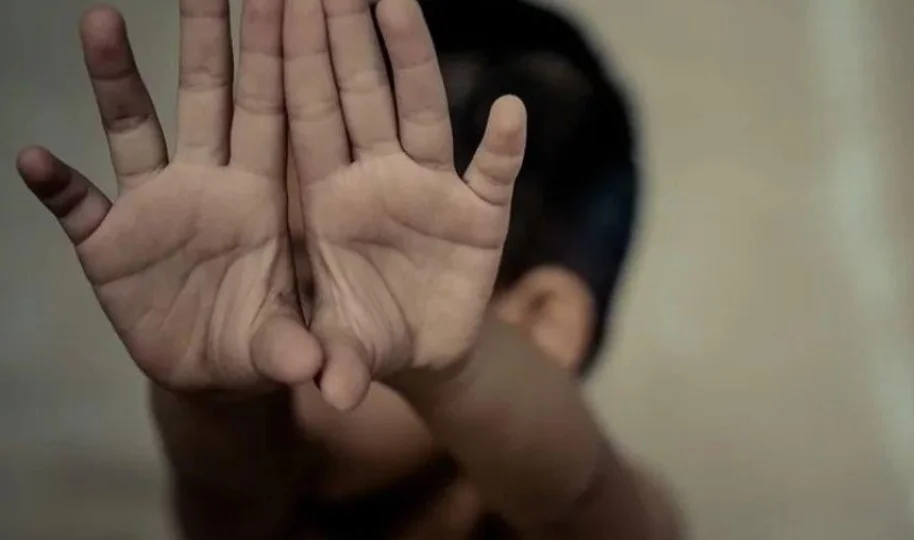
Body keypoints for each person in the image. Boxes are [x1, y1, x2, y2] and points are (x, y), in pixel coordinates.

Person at [15, 0, 679, 538]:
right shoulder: (273, 511)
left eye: (314, 289)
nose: (278, 339)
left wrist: (450, 363)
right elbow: (227, 486)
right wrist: (216, 394)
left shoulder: (595, 514)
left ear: (539, 324)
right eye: (255, 282)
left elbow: (576, 498)